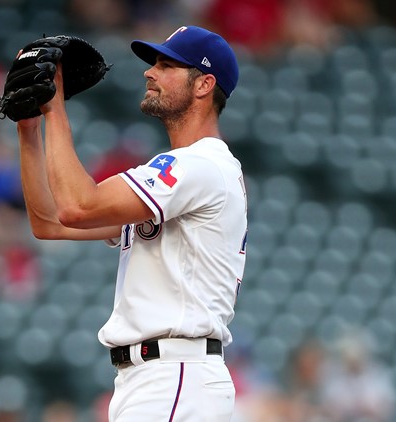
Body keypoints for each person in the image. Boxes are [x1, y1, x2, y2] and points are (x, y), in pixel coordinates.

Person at [14, 25, 247, 421]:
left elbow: (76, 207)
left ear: (204, 84)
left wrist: (55, 109)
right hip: (154, 379)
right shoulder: (185, 173)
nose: (149, 72)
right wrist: (30, 128)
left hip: (176, 376)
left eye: (167, 64)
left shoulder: (200, 165)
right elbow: (49, 222)